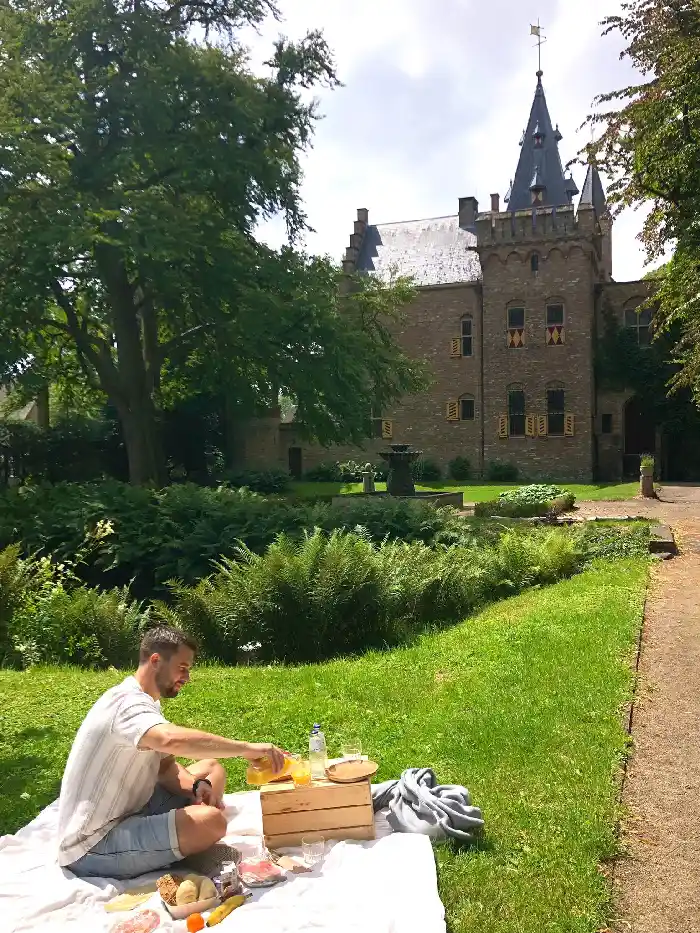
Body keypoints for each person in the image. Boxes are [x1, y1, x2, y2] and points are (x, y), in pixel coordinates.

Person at [57, 624, 284, 880]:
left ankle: (179, 844)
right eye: (182, 668)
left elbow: (165, 768)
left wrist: (196, 787)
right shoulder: (126, 705)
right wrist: (245, 749)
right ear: (156, 660)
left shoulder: (146, 702)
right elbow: (170, 739)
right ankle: (186, 847)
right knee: (212, 822)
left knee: (212, 770)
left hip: (134, 809)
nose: (187, 677)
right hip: (93, 843)